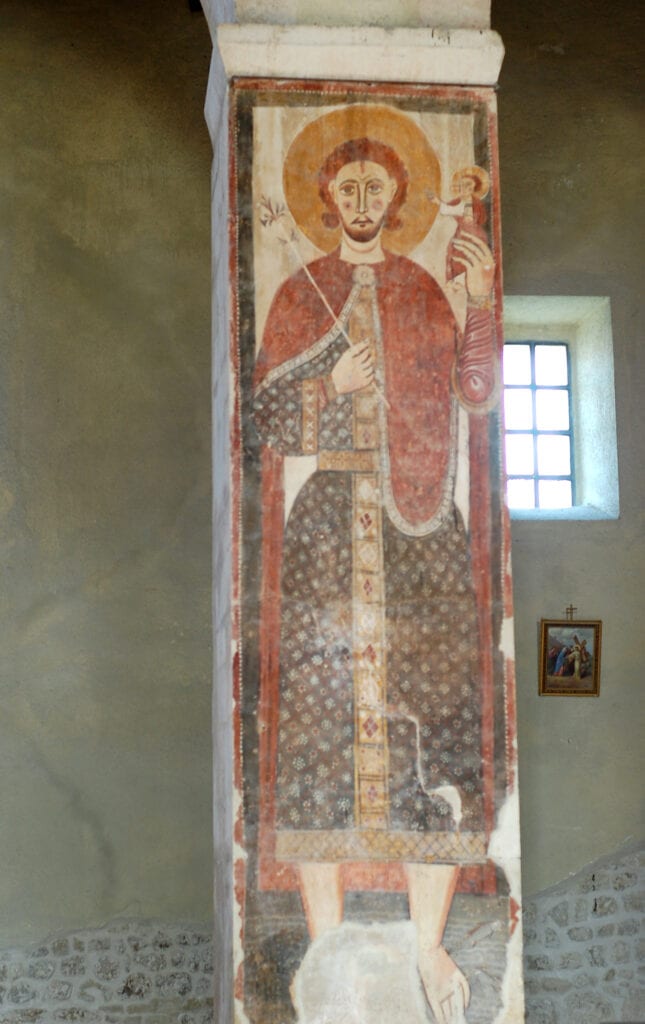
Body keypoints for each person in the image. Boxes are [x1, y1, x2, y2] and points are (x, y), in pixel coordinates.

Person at [253, 130, 498, 1024]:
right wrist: (331, 383)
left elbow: (475, 392)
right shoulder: (299, 289)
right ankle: (324, 950)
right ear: (326, 199)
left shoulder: (422, 287)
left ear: (396, 199)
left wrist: (478, 303)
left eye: (375, 188)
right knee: (317, 732)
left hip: (417, 523)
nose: (361, 202)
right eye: (346, 188)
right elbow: (263, 419)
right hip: (327, 525)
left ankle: (428, 943)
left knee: (434, 718)